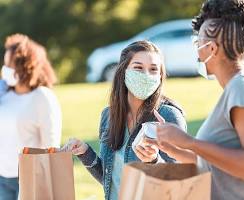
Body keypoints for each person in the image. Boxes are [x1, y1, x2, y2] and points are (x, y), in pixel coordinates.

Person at [146, 0, 244, 199]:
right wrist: (171, 147)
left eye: (198, 43)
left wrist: (190, 142)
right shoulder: (234, 89)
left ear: (212, 49)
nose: (197, 51)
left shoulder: (240, 87)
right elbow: (214, 162)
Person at [63, 41, 187, 200]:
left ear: (160, 76)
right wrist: (85, 152)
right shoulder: (108, 116)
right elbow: (112, 180)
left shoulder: (168, 116)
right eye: (138, 68)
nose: (146, 75)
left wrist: (154, 161)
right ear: (123, 72)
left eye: (153, 69)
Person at [0, 34, 62, 200]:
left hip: (29, 178)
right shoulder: (4, 94)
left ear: (25, 66)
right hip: (2, 178)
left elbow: (51, 145)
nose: (5, 69)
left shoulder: (43, 97)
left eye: (9, 65)